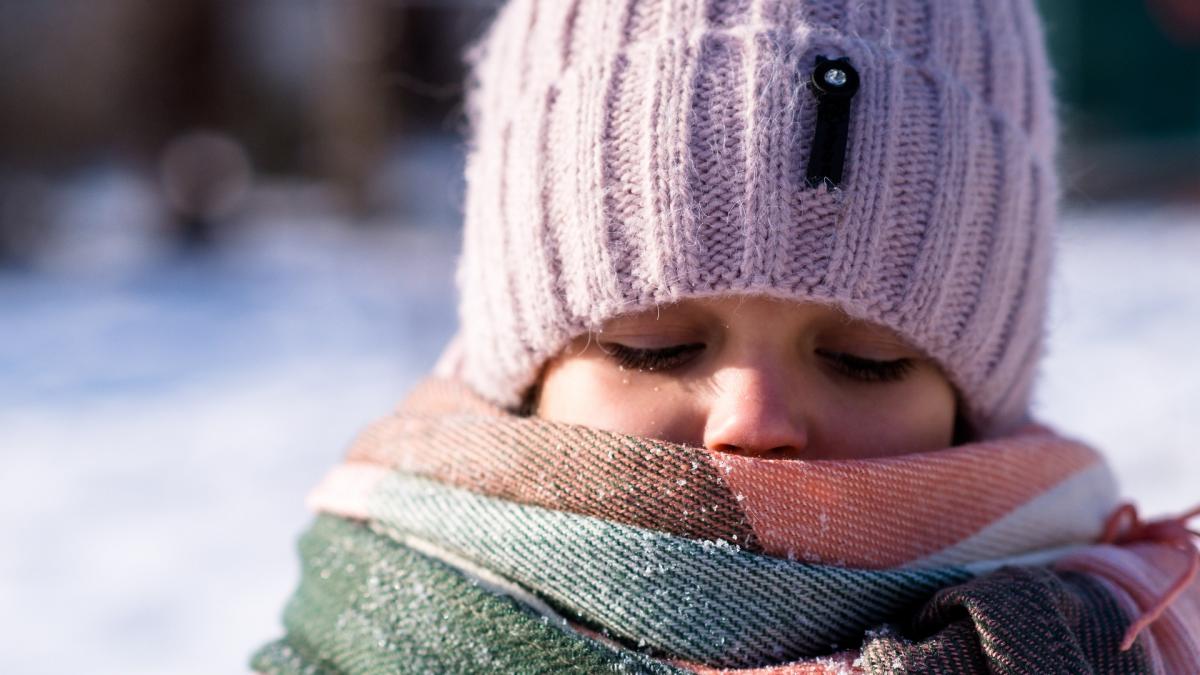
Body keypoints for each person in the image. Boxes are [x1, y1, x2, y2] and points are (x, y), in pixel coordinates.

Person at [252, 0, 1200, 672]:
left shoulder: (1121, 640)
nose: (753, 422)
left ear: (972, 401)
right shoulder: (358, 647)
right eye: (654, 344)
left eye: (865, 360)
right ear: (526, 375)